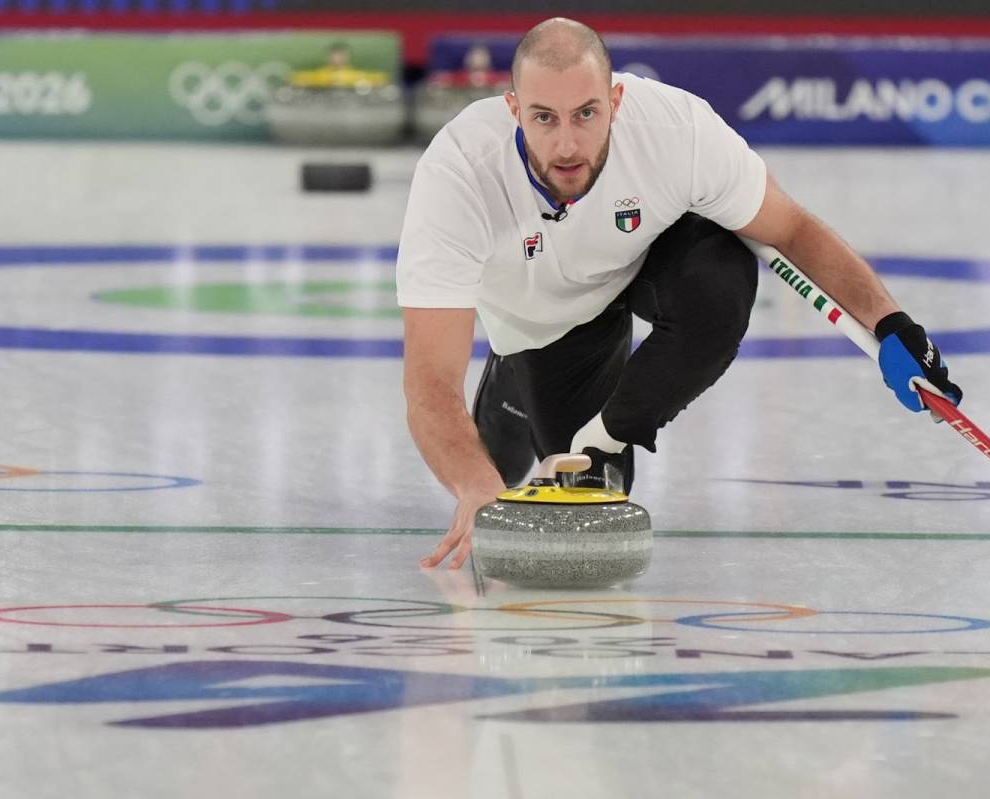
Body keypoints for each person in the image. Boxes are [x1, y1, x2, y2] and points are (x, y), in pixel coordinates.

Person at [396, 18, 961, 569]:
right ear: (513, 109)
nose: (567, 144)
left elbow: (789, 229)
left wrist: (890, 323)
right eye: (545, 118)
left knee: (721, 276)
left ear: (616, 102)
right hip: (542, 320)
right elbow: (430, 383)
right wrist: (476, 488)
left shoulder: (677, 130)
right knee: (502, 462)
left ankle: (605, 438)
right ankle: (510, 381)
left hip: (642, 264)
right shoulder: (460, 174)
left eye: (587, 113)